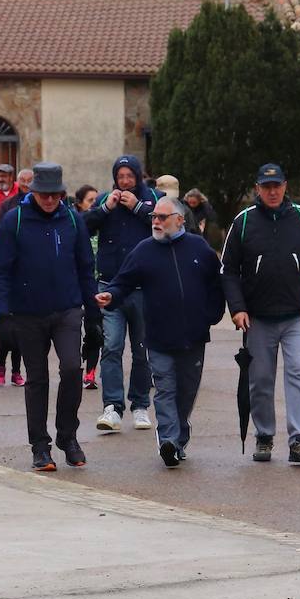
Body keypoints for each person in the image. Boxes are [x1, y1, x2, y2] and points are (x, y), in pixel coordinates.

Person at [220, 162, 300, 464]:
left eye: (277, 185)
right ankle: (264, 436)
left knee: (297, 372)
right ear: (257, 189)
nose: (272, 191)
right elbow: (228, 270)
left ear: (285, 186)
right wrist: (237, 308)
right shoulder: (243, 222)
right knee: (260, 379)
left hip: (296, 312)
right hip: (257, 317)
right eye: (266, 186)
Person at [96, 196, 224, 467]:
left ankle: (179, 437)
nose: (155, 221)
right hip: (158, 336)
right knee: (165, 388)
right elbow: (124, 281)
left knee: (186, 391)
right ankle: (167, 439)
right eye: (153, 216)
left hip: (194, 336)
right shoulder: (144, 250)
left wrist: (212, 315)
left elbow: (217, 283)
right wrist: (112, 295)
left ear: (179, 219)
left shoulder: (198, 247)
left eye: (161, 217)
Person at [0, 162, 99, 472]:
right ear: (33, 192)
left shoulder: (73, 220)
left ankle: (68, 436)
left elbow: (84, 268)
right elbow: (0, 271)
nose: (49, 200)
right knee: (37, 379)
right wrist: (3, 313)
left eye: (54, 195)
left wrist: (92, 313)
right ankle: (40, 445)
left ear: (62, 194)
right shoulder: (16, 220)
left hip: (66, 308)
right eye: (43, 195)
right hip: (27, 312)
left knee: (71, 369)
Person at [85, 155, 157, 434]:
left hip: (143, 288)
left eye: (130, 176)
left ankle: (140, 405)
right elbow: (84, 225)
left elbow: (166, 224)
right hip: (109, 286)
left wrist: (138, 208)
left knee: (141, 350)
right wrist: (104, 209)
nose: (125, 182)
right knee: (112, 346)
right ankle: (112, 407)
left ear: (138, 176)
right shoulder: (106, 199)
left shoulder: (152, 198)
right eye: (120, 176)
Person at [72, 185, 103, 391]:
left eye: (96, 201)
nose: (94, 205)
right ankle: (73, 367)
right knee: (72, 331)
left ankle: (90, 371)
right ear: (80, 204)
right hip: (75, 286)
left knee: (95, 331)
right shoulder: (73, 225)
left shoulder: (104, 225)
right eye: (90, 201)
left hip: (97, 287)